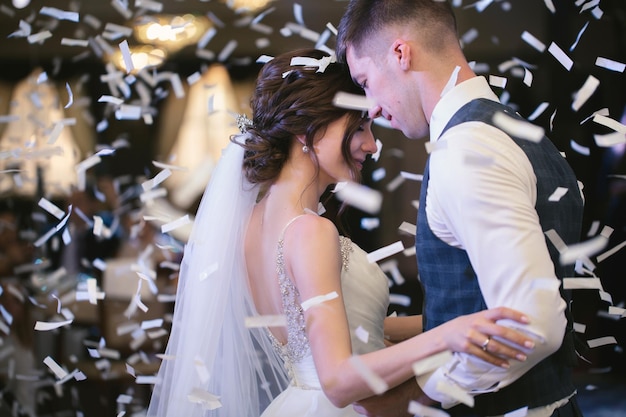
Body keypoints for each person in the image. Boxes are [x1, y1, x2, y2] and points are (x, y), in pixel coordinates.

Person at [146, 48, 537, 417]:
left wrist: (461, 319)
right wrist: (447, 336)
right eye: (360, 125)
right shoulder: (309, 231)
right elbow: (335, 378)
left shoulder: (249, 228)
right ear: (307, 130)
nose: (372, 143)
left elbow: (339, 328)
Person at [335, 1, 585, 416]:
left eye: (365, 80)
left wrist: (423, 392)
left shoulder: (466, 150)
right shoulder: (512, 126)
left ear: (401, 54)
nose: (372, 107)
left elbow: (532, 324)